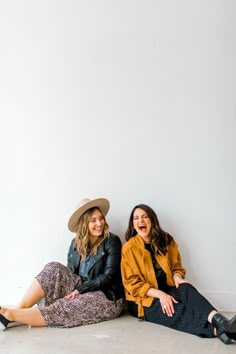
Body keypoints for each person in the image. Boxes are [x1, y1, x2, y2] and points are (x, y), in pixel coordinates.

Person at [0, 197, 124, 330]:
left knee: (65, 306)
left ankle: (11, 314)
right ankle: (19, 311)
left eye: (101, 218)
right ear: (83, 223)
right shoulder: (75, 244)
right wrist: (74, 290)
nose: (99, 223)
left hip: (106, 296)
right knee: (53, 267)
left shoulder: (111, 241)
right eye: (93, 220)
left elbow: (109, 276)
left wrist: (80, 290)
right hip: (81, 288)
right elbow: (69, 275)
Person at [121, 203, 236, 345]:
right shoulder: (129, 248)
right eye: (136, 218)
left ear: (152, 220)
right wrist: (161, 295)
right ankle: (220, 331)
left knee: (186, 288)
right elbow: (132, 284)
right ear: (133, 224)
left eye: (145, 217)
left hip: (168, 288)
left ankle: (220, 321)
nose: (141, 221)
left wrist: (177, 277)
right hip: (143, 299)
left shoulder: (166, 240)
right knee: (175, 310)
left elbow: (176, 266)